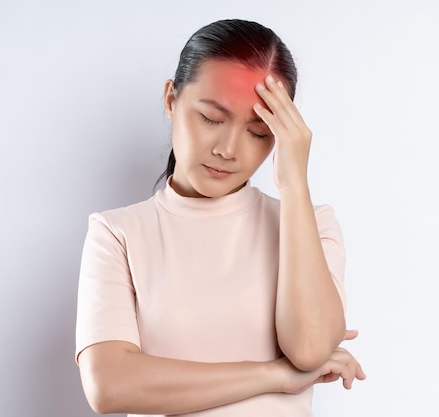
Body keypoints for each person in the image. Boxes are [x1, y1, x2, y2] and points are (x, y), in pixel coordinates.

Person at [75, 19, 365, 416]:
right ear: (171, 99)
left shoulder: (310, 226)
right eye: (211, 118)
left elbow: (310, 347)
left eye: (259, 132)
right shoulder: (118, 233)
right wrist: (275, 375)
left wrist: (294, 182)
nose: (229, 149)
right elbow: (109, 385)